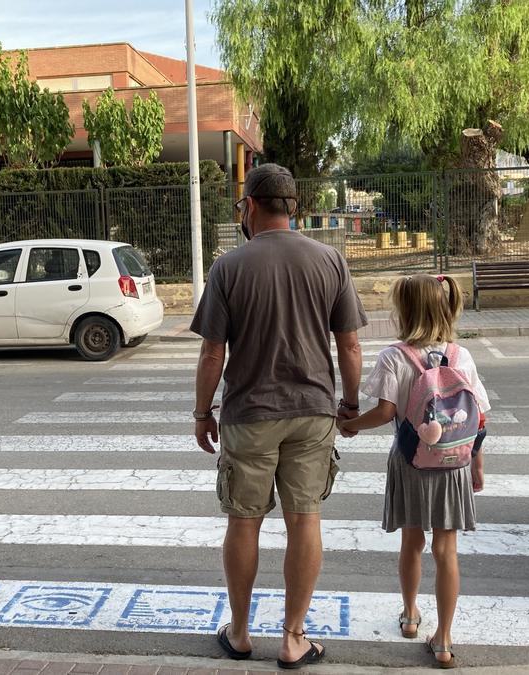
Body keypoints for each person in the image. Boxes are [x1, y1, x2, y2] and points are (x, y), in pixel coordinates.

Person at [191, 163, 368, 670]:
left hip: (249, 414)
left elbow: (211, 355)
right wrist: (350, 407)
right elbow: (351, 345)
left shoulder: (228, 268)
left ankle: (242, 633)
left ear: (249, 206)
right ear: (295, 208)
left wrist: (203, 413)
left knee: (244, 522)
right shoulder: (330, 260)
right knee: (304, 518)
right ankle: (294, 638)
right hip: (312, 413)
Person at [338, 274, 490, 669]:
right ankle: (443, 639)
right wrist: (476, 461)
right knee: (446, 549)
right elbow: (479, 416)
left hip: (410, 462)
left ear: (404, 311)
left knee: (412, 543)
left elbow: (385, 412)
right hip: (453, 463)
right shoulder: (462, 356)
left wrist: (349, 425)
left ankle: (409, 615)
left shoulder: (395, 356)